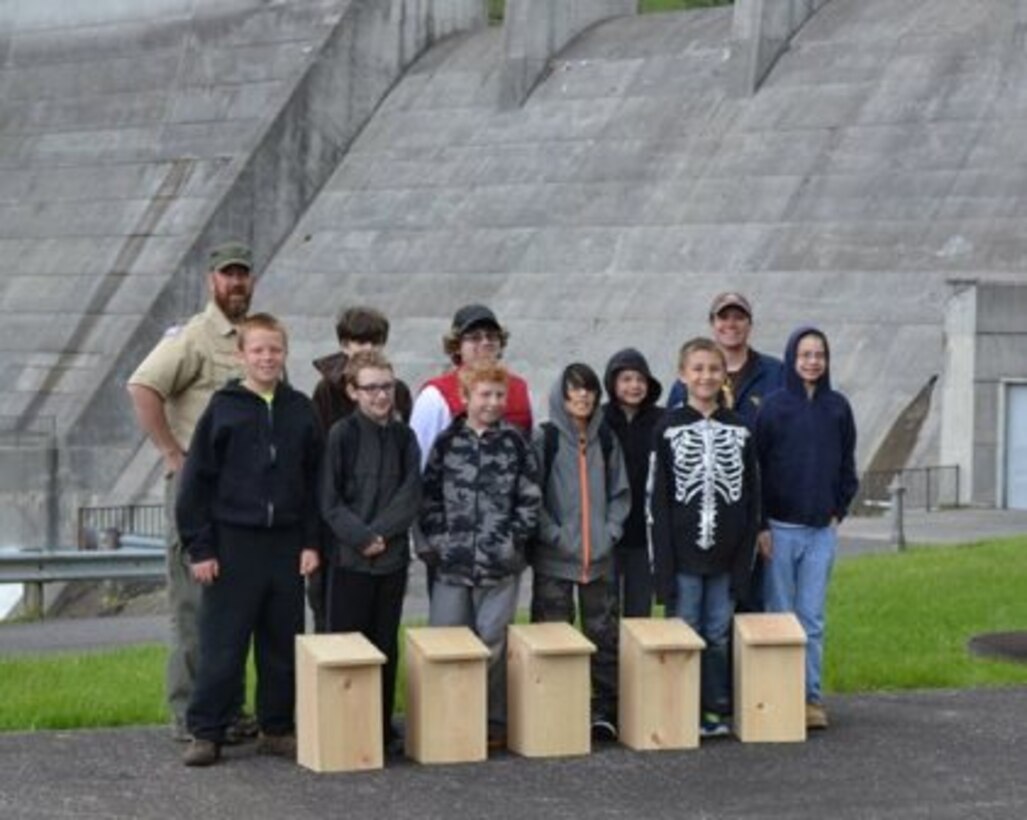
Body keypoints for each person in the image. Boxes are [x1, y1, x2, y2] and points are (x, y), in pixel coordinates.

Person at [176, 313, 322, 766]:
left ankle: (276, 727)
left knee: (281, 644)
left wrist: (311, 543)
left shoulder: (301, 410)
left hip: (285, 545)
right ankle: (207, 731)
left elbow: (315, 482)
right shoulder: (224, 408)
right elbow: (195, 483)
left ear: (284, 354)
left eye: (274, 349)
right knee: (224, 644)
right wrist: (201, 547)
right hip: (232, 544)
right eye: (257, 350)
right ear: (241, 355)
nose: (266, 357)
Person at [127, 240, 257, 743]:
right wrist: (172, 453)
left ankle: (229, 709)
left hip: (242, 496)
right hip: (198, 492)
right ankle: (188, 714)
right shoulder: (195, 337)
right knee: (192, 606)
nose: (237, 283)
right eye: (228, 275)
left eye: (243, 274)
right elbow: (142, 387)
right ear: (211, 281)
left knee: (235, 606)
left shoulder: (254, 338)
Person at [419, 361, 540, 749]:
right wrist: (440, 541)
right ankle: (445, 721)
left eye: (499, 395)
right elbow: (429, 497)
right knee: (447, 641)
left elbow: (530, 498)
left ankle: (491, 722)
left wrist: (512, 541)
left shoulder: (516, 442)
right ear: (465, 397)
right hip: (452, 565)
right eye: (484, 395)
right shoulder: (447, 442)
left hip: (499, 565)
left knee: (492, 644)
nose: (492, 402)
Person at [648, 338, 760, 738]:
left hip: (726, 559)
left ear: (724, 374)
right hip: (683, 558)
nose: (706, 376)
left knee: (717, 634)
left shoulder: (741, 429)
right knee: (684, 631)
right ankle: (678, 710)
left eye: (713, 369)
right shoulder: (668, 427)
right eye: (697, 369)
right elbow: (656, 503)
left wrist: (743, 560)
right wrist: (662, 567)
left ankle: (714, 709)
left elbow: (751, 498)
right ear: (683, 375)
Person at [318, 350, 421, 755]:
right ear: (353, 391)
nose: (381, 396)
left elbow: (410, 492)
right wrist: (362, 537)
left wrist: (382, 534)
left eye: (387, 387)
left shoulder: (403, 437)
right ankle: (344, 726)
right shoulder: (342, 435)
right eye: (372, 388)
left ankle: (378, 727)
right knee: (347, 645)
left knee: (384, 645)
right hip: (350, 561)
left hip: (391, 561)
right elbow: (329, 500)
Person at [755, 326, 858, 731]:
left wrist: (839, 509)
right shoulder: (774, 407)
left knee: (812, 618)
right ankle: (777, 694)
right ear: (792, 359)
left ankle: (810, 697)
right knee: (779, 615)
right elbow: (757, 469)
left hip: (820, 531)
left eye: (819, 354)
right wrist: (761, 524)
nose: (813, 361)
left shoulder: (838, 407)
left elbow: (847, 462)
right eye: (805, 355)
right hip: (780, 529)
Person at [531, 363, 630, 741]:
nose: (583, 396)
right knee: (554, 635)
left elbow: (621, 493)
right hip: (555, 560)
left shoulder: (606, 439)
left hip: (600, 559)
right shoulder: (546, 439)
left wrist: (611, 530)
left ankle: (604, 710)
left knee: (604, 637)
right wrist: (554, 535)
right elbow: (532, 496)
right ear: (562, 394)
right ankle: (553, 708)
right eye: (575, 390)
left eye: (589, 390)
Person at [667, 292, 783, 612]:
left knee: (751, 604)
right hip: (697, 524)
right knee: (696, 614)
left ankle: (743, 665)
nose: (731, 324)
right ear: (713, 323)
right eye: (723, 317)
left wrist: (763, 521)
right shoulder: (689, 382)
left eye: (738, 317)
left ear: (749, 323)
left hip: (757, 507)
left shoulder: (776, 374)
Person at [410, 304, 534, 595]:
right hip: (452, 543)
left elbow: (529, 470)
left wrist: (515, 540)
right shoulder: (435, 395)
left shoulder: (519, 389)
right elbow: (419, 470)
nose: (485, 343)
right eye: (474, 337)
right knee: (450, 635)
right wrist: (430, 539)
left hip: (500, 544)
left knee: (495, 633)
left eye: (492, 336)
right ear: (457, 346)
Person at [308, 306, 412, 631]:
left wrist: (381, 530)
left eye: (374, 342)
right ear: (344, 344)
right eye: (358, 342)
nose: (366, 350)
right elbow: (324, 467)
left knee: (383, 623)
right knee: (331, 606)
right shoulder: (326, 391)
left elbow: (408, 477)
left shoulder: (399, 392)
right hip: (341, 521)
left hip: (386, 523)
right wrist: (356, 531)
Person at [601, 348, 663, 618]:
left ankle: (638, 661)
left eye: (640, 379)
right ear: (613, 383)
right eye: (626, 379)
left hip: (644, 534)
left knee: (639, 611)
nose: (634, 386)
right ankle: (608, 662)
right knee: (605, 609)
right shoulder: (598, 420)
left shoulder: (661, 420)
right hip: (608, 532)